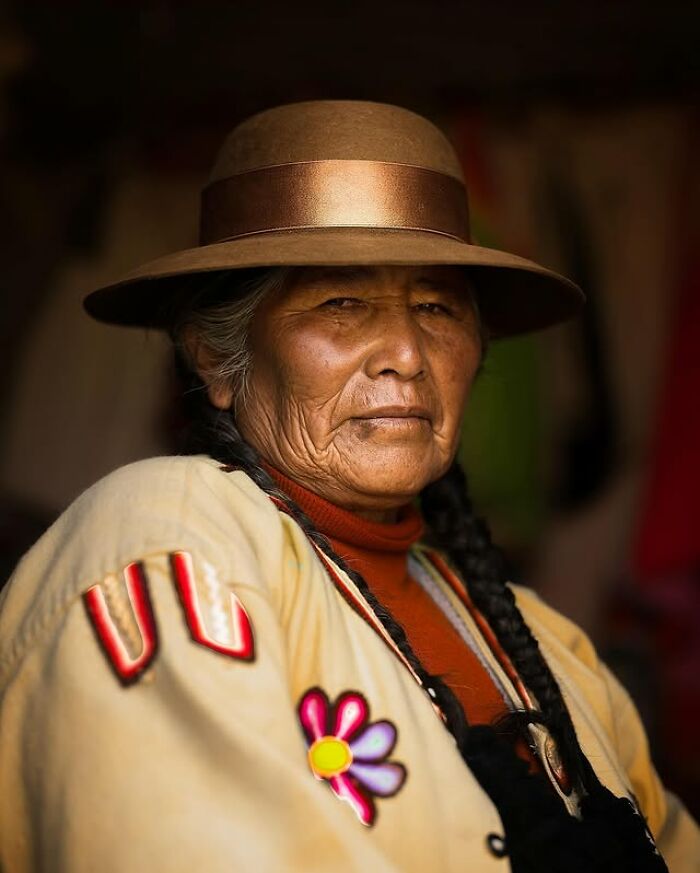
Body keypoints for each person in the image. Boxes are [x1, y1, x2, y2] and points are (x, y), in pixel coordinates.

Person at [0, 100, 697, 873]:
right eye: (341, 302)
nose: (405, 351)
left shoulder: (545, 643)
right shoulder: (165, 539)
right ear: (212, 357)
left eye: (437, 307)